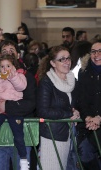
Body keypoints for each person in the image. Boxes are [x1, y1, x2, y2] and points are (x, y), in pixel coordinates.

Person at [0, 40, 36, 170]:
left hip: (20, 130)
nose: (8, 53)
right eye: (4, 51)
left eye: (12, 51)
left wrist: (7, 106)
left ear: (18, 55)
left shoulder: (26, 76)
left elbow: (31, 102)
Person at [37, 45, 80, 170]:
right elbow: (42, 111)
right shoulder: (47, 82)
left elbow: (73, 105)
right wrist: (68, 114)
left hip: (69, 134)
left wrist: (76, 111)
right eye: (62, 59)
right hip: (52, 135)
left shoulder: (72, 80)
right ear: (53, 63)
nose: (67, 62)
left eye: (68, 58)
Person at [76, 40, 101, 169]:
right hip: (89, 125)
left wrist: (99, 117)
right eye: (93, 51)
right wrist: (87, 117)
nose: (97, 55)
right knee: (85, 154)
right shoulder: (83, 72)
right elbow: (81, 99)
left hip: (98, 121)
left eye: (100, 51)